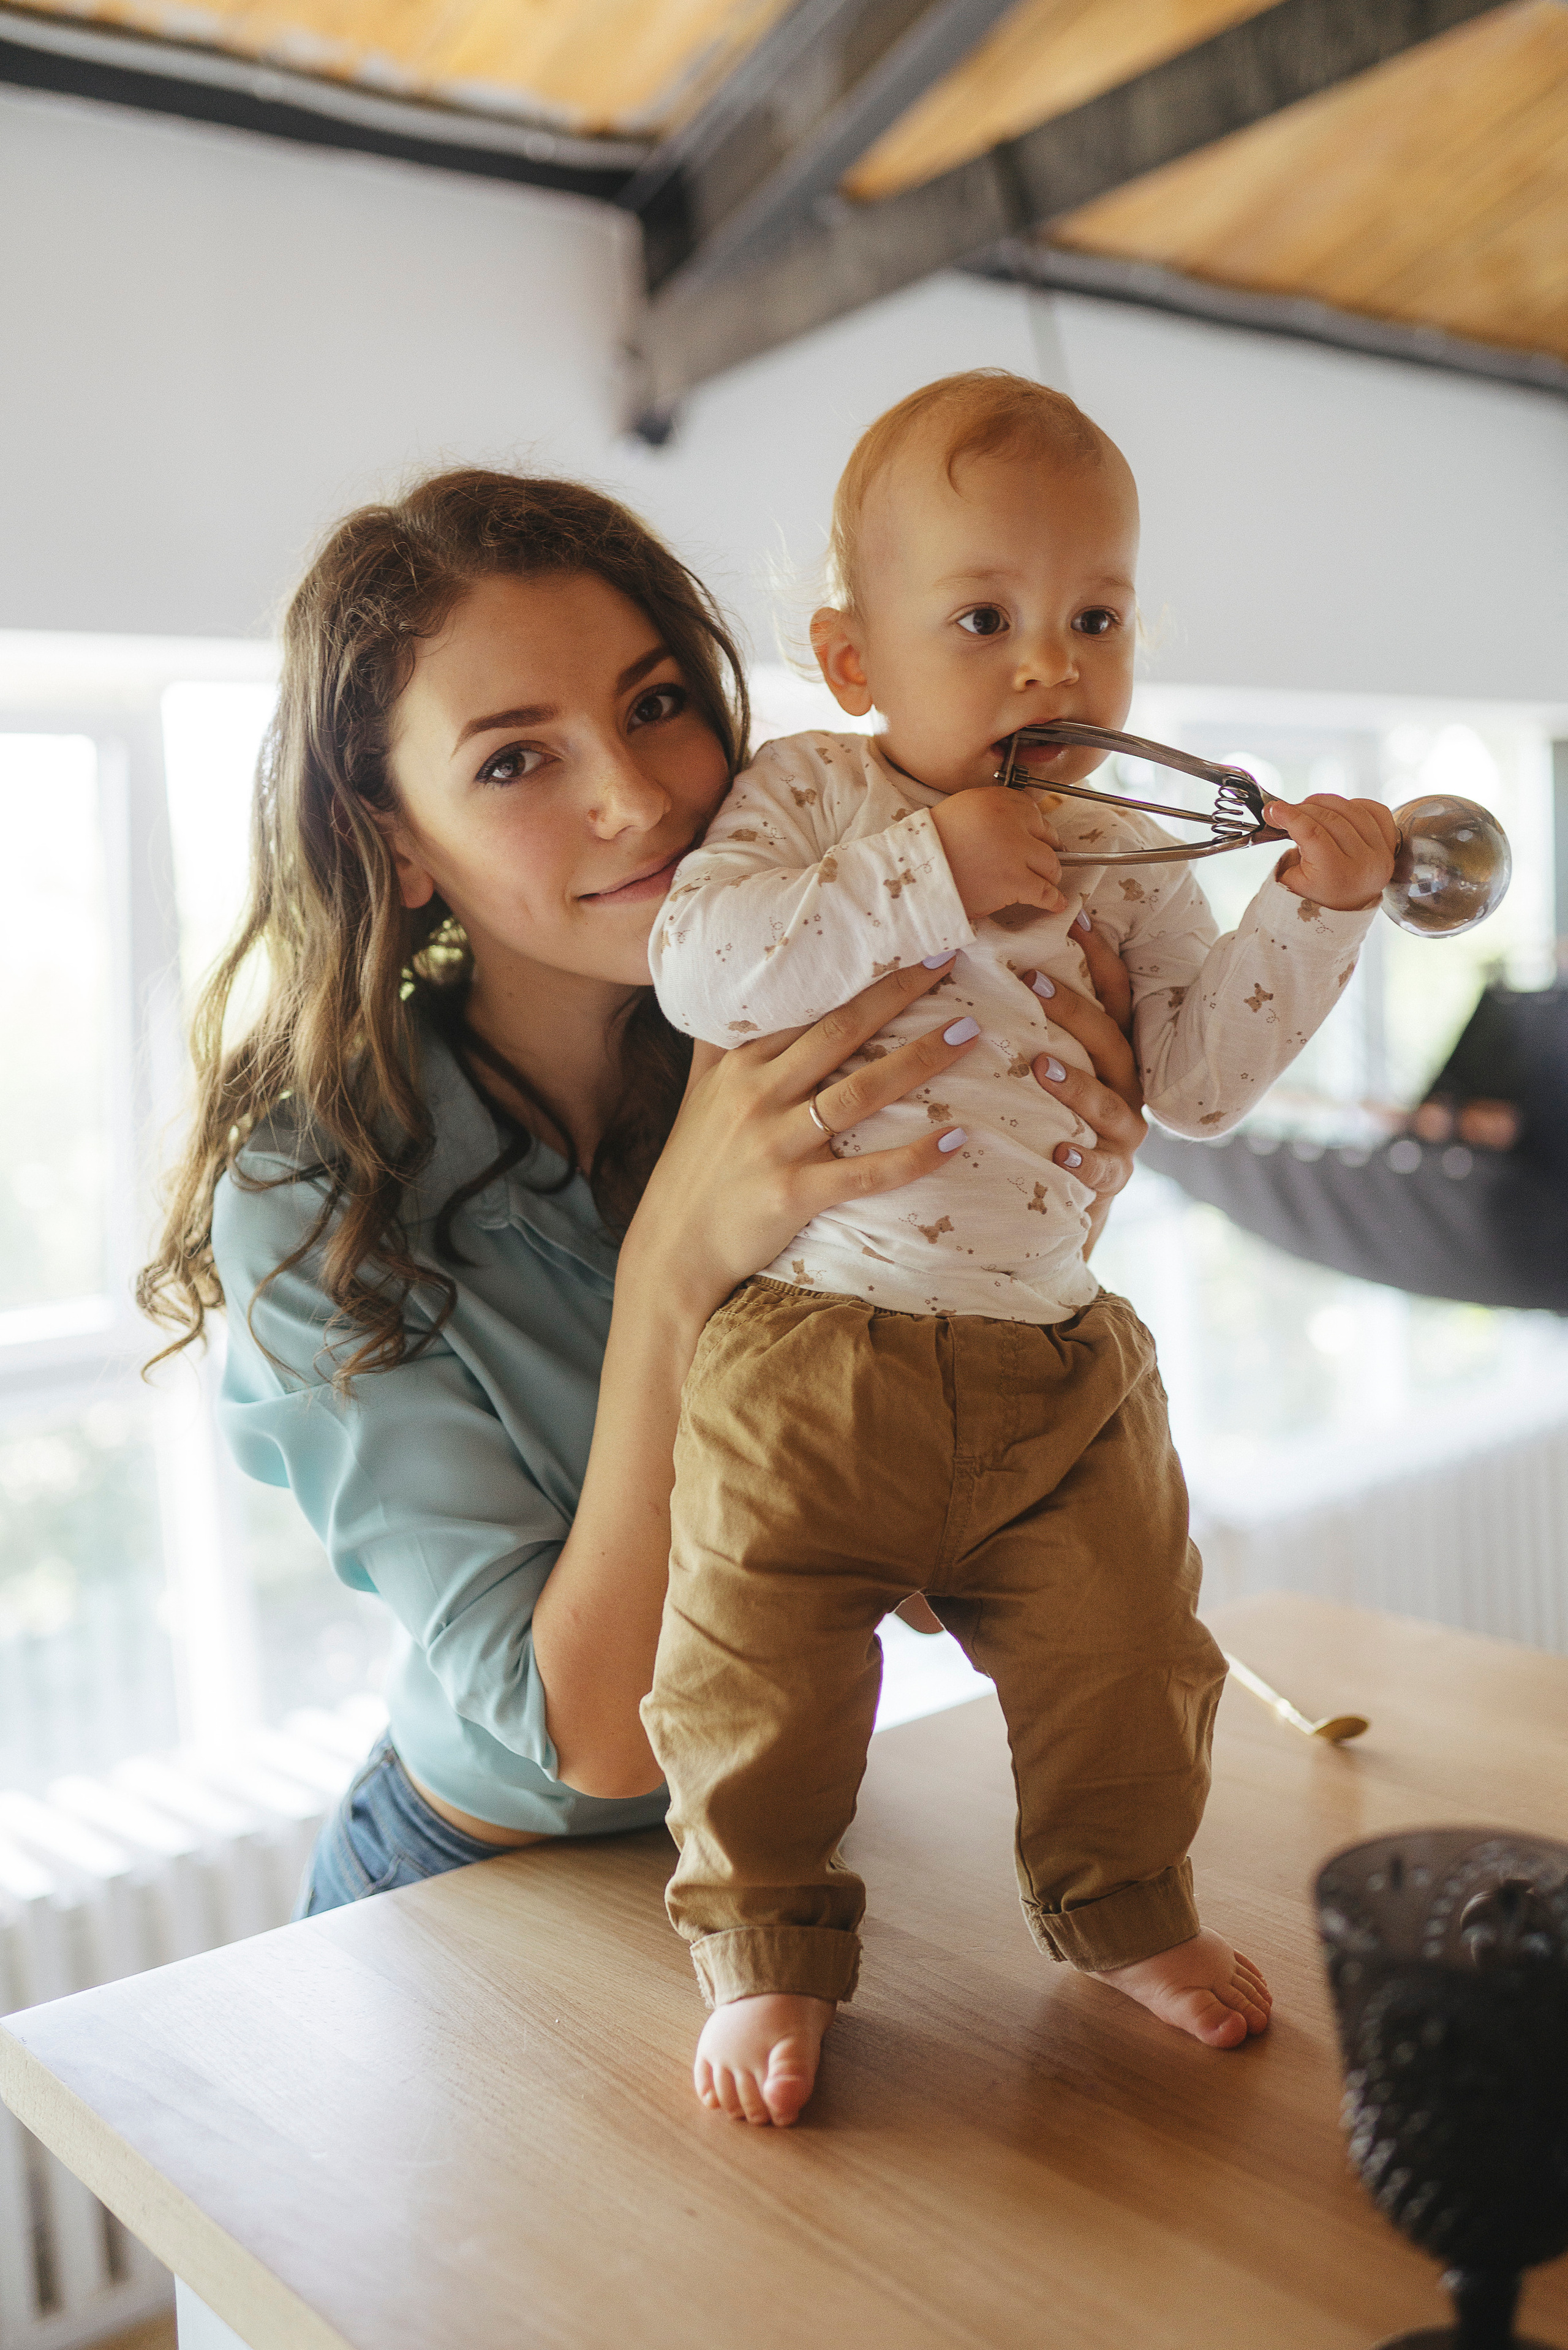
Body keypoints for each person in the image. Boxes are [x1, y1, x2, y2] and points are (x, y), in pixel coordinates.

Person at [137, 466, 1147, 1919]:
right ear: (395, 839)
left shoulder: (833, 1023)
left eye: (655, 703)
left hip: (773, 1844)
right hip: (476, 1880)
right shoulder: (309, 1190)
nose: (636, 797)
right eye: (513, 760)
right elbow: (601, 1739)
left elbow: (930, 1584)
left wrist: (1023, 1244)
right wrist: (679, 1253)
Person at [645, 371, 1400, 2125]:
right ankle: (763, 1936)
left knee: (1133, 1654)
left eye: (1095, 619)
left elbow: (1197, 1081)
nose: (1049, 666)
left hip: (1060, 1359)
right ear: (853, 659)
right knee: (753, 1662)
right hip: (818, 1340)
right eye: (983, 619)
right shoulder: (808, 796)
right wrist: (925, 867)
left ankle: (1125, 1906)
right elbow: (702, 968)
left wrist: (1315, 911)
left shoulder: (1127, 847)